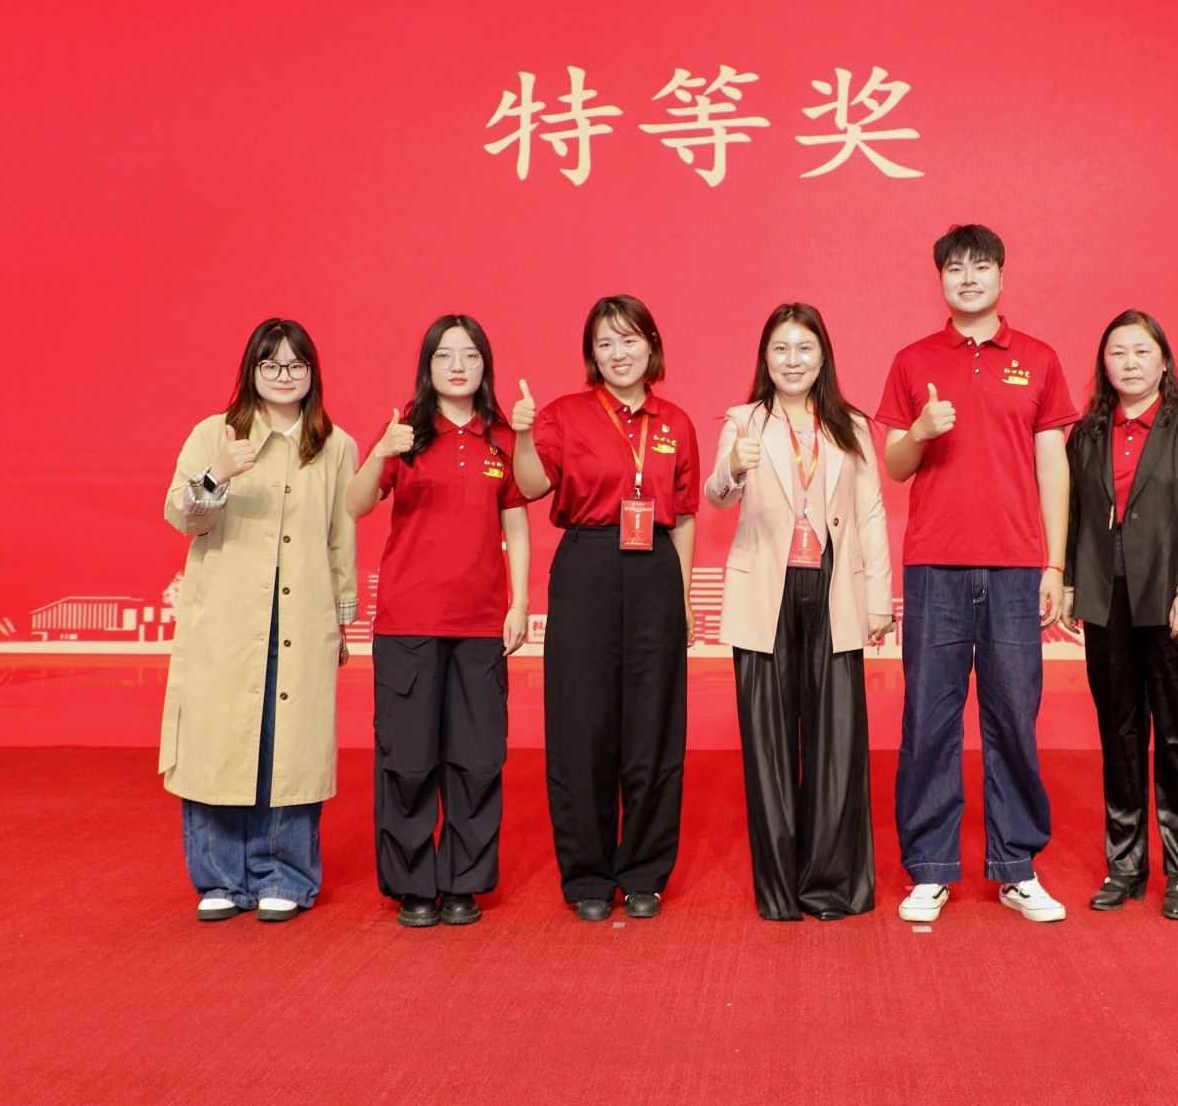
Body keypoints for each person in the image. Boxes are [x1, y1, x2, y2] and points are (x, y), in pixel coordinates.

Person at [875, 225, 1078, 924]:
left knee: (1013, 718)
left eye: (981, 266)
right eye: (955, 268)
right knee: (929, 720)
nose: (968, 278)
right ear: (940, 279)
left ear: (1001, 275)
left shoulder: (1039, 359)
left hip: (1017, 567)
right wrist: (921, 430)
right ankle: (929, 868)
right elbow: (895, 465)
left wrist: (1055, 562)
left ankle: (1016, 867)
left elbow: (1053, 465)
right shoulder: (912, 360)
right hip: (935, 564)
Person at [160, 318, 358, 923]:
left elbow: (341, 538)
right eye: (270, 364)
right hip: (228, 621)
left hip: (301, 617)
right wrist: (218, 473)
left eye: (296, 365)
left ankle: (284, 876)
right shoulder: (214, 434)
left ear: (312, 374)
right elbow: (183, 517)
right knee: (220, 743)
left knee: (289, 748)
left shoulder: (335, 445)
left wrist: (343, 616)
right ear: (251, 370)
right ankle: (220, 877)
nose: (283, 376)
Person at [511, 295, 701, 922]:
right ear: (591, 354)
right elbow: (531, 486)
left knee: (653, 728)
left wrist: (683, 597)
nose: (619, 354)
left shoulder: (676, 422)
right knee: (582, 726)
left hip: (656, 572)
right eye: (605, 343)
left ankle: (644, 872)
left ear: (652, 345)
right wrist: (521, 434)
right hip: (587, 565)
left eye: (629, 340)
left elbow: (685, 513)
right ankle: (588, 875)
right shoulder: (564, 415)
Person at [707, 303, 894, 921]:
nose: (793, 360)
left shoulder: (851, 424)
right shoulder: (742, 421)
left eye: (804, 348)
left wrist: (878, 599)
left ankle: (831, 885)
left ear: (823, 356)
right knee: (768, 742)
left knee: (837, 737)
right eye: (781, 349)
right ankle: (781, 889)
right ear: (765, 357)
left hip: (835, 588)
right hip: (766, 591)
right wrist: (733, 468)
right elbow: (717, 496)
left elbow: (870, 512)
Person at [344, 315, 531, 929]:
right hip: (409, 622)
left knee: (477, 760)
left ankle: (463, 885)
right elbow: (356, 504)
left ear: (485, 366)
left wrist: (519, 604)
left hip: (480, 624)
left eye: (470, 355)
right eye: (445, 355)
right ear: (427, 366)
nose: (457, 366)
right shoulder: (405, 429)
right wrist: (381, 452)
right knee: (408, 759)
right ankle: (412, 885)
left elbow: (516, 524)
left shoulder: (501, 437)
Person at [1061, 310, 1178, 920]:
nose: (1129, 363)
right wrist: (1072, 582)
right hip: (1107, 600)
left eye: (1141, 352)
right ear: (1103, 365)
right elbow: (1074, 513)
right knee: (1120, 734)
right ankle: (1125, 867)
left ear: (1163, 361)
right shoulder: (1086, 433)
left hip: (1175, 601)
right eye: (1117, 353)